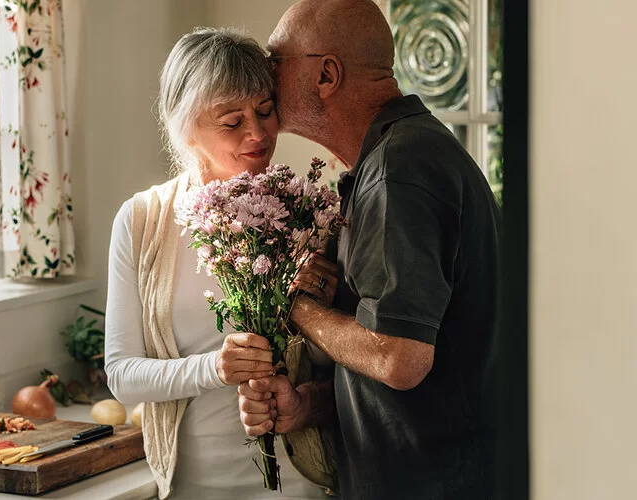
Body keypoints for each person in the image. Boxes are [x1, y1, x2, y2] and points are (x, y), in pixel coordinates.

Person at [238, 0, 501, 498]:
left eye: (276, 61)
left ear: (327, 74)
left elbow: (399, 360)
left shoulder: (400, 169)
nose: (265, 76)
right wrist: (306, 405)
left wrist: (296, 307)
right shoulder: (394, 159)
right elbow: (404, 370)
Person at [104, 27, 331, 499]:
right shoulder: (144, 222)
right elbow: (123, 376)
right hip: (195, 485)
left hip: (303, 483)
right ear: (186, 128)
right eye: (232, 121)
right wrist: (215, 368)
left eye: (266, 111)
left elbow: (351, 367)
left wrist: (319, 307)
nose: (258, 133)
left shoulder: (310, 217)